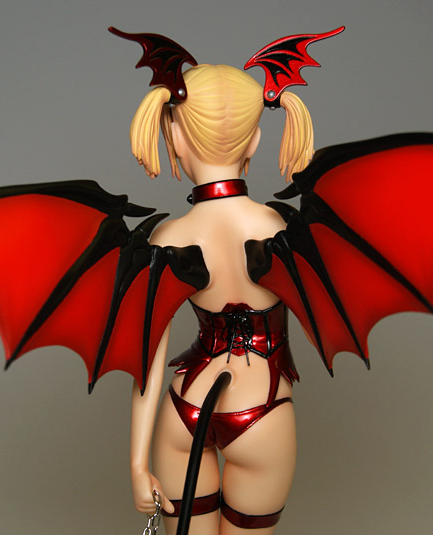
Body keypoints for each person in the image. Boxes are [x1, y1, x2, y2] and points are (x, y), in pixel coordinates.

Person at [127, 63, 315, 535]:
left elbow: (147, 358)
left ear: (176, 140)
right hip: (264, 412)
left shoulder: (166, 238)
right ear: (255, 141)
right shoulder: (282, 228)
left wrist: (136, 463)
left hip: (182, 410)